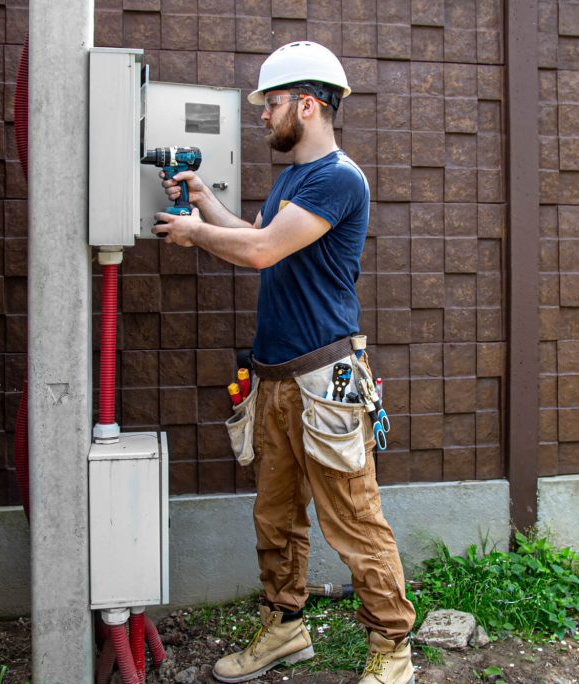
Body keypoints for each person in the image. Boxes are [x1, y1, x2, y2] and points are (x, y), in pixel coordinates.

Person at [153, 41, 416, 684]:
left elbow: (263, 252)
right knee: (275, 517)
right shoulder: (293, 179)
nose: (262, 116)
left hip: (325, 379)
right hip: (275, 378)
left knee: (352, 519)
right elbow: (258, 234)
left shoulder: (337, 177)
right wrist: (203, 203)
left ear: (307, 103)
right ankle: (285, 629)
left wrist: (193, 234)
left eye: (271, 104)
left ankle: (393, 649)